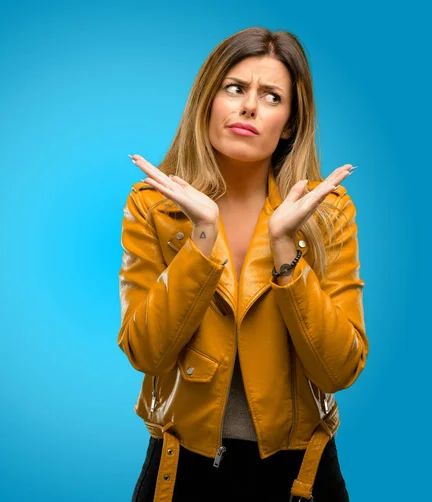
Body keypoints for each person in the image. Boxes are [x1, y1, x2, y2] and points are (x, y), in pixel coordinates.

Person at [117, 27, 367, 502]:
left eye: (271, 96)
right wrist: (202, 238)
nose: (249, 106)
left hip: (301, 478)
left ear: (290, 123)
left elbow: (339, 371)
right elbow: (145, 353)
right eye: (235, 88)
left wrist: (285, 250)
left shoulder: (329, 212)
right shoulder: (152, 206)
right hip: (179, 472)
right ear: (208, 100)